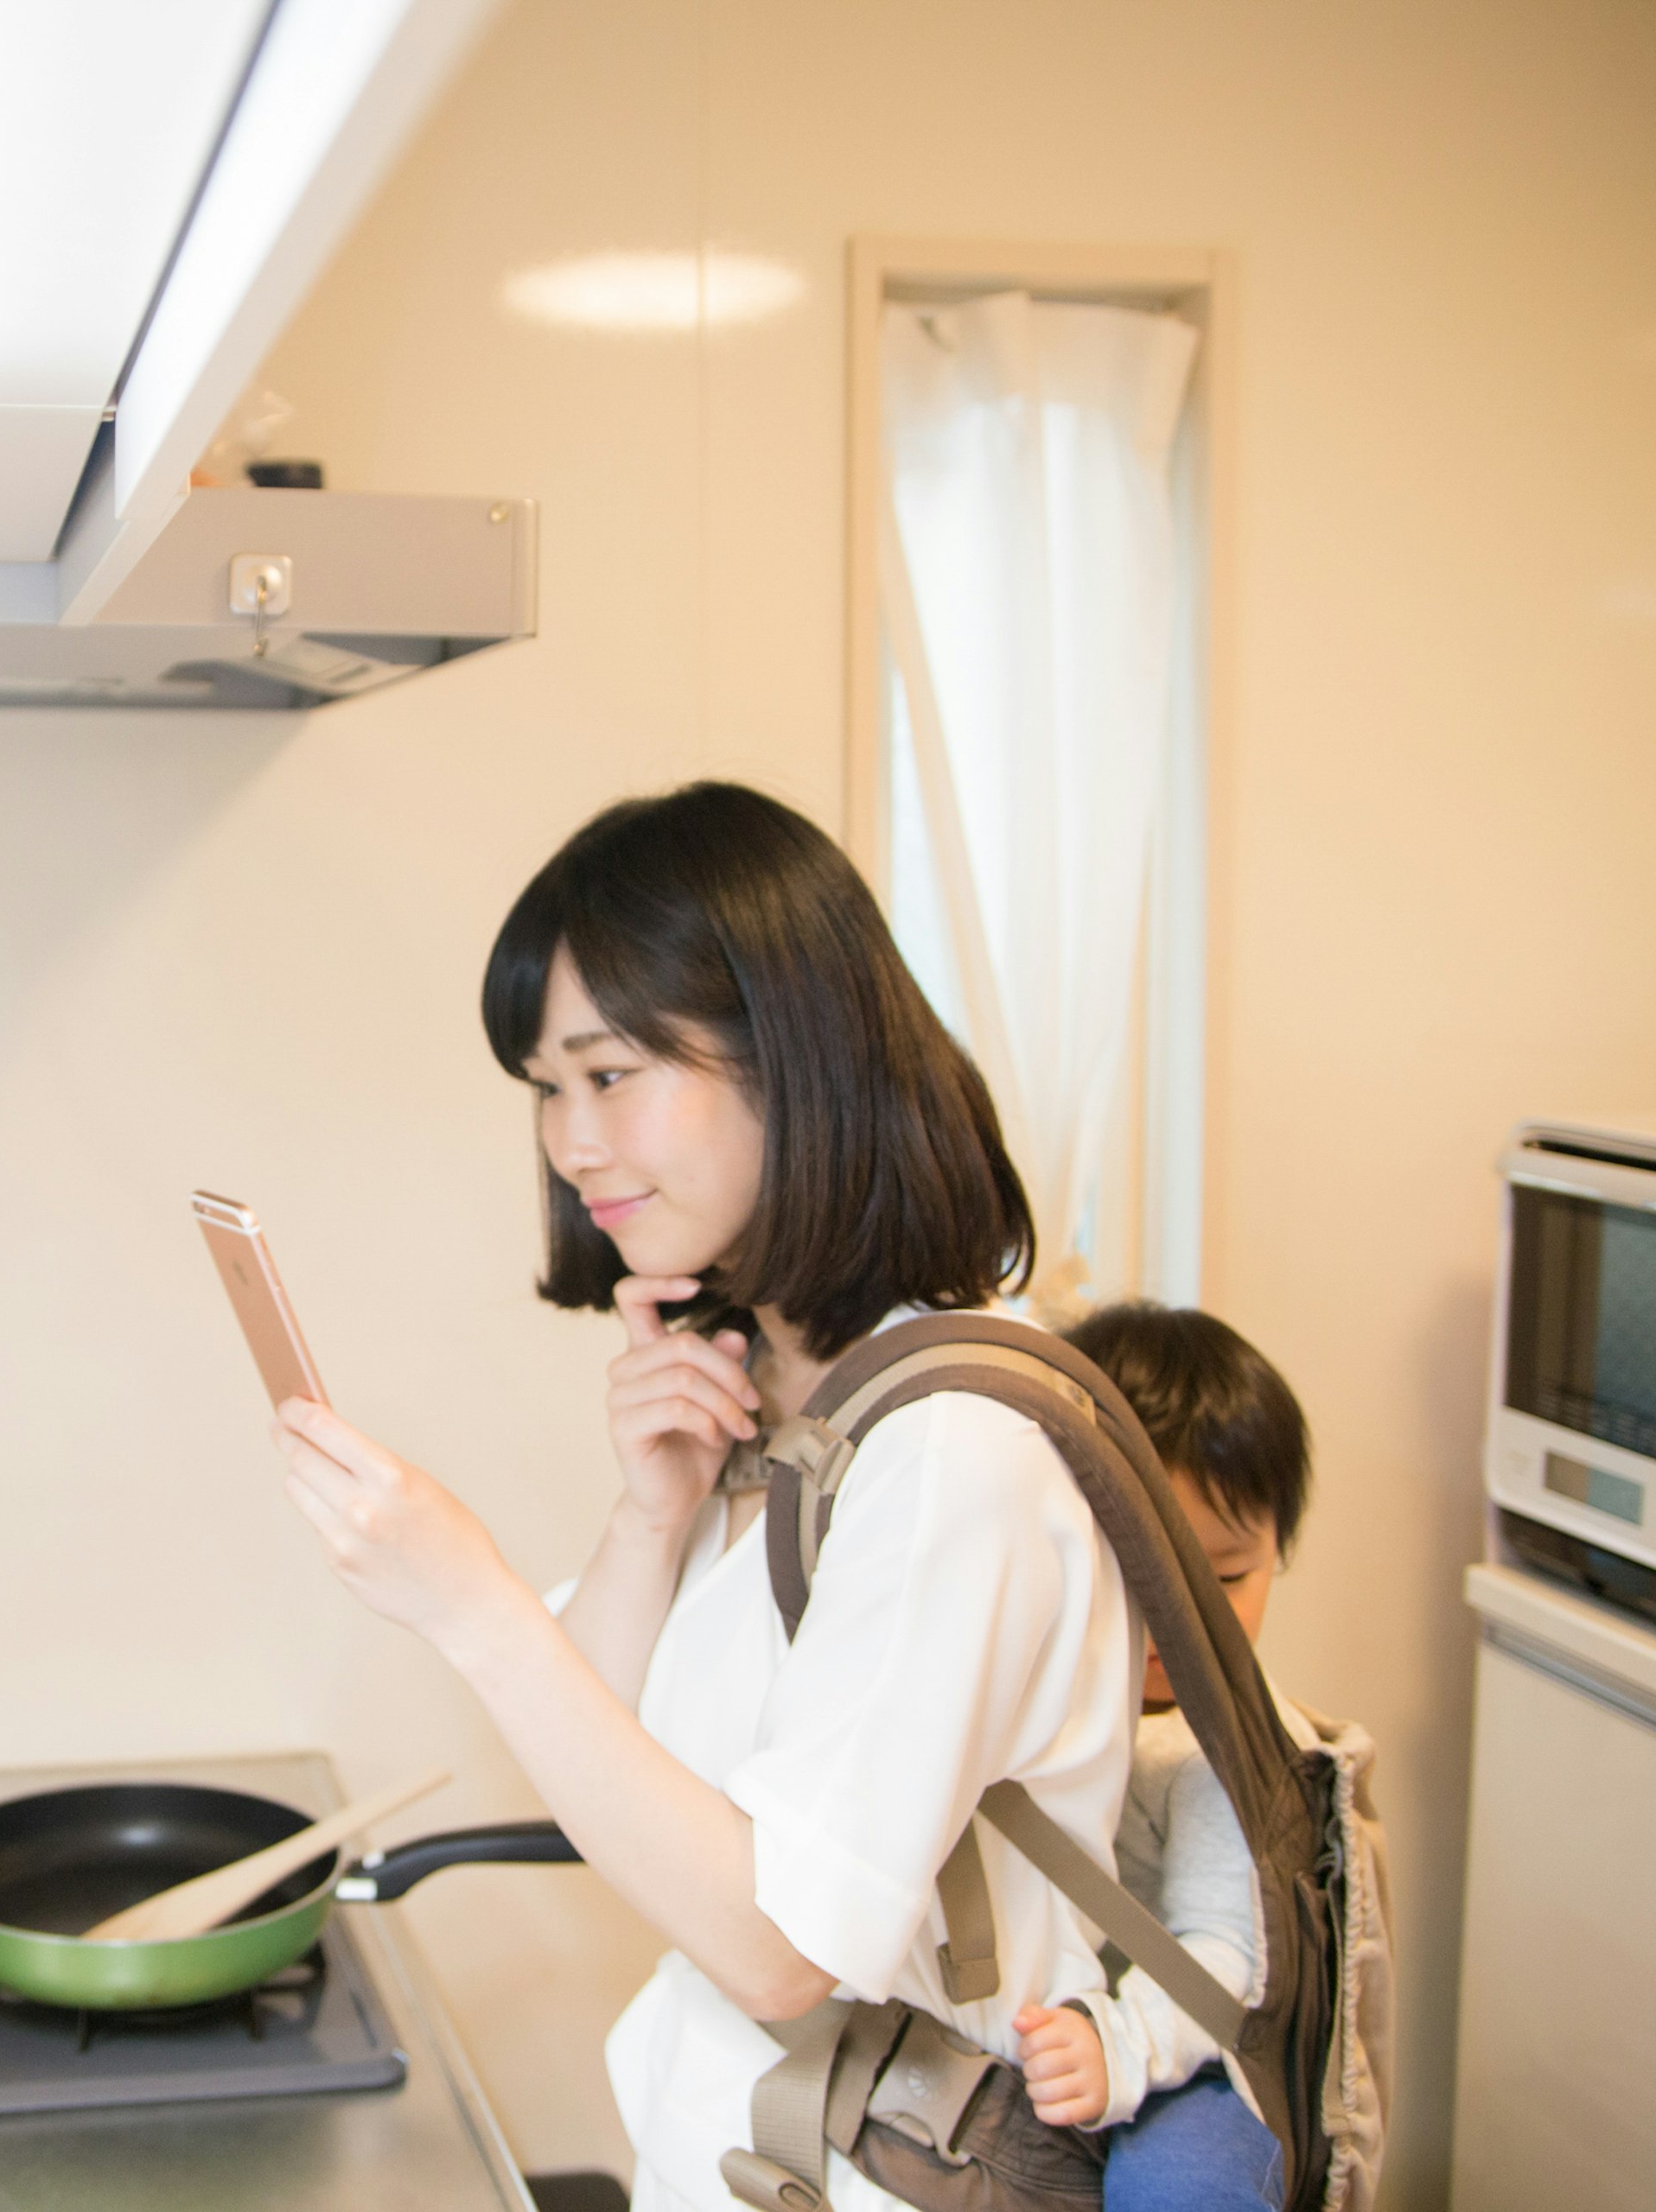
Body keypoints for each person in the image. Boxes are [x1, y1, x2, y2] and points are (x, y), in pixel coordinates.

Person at [267, 783, 1137, 2210]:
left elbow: (785, 1945)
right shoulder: (784, 1391)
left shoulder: (952, 1452)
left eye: (610, 1077)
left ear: (795, 1057)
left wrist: (475, 1599)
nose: (571, 1142)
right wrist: (650, 1517)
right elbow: (583, 1767)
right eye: (548, 1089)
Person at [1009, 1301, 1316, 2212]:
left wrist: (1123, 2043)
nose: (1182, 1616)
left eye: (1226, 1577)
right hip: (1047, 2030)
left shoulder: (1223, 1749)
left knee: (1188, 2182)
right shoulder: (1027, 1706)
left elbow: (1225, 1951)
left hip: (1192, 2055)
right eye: (1134, 1574)